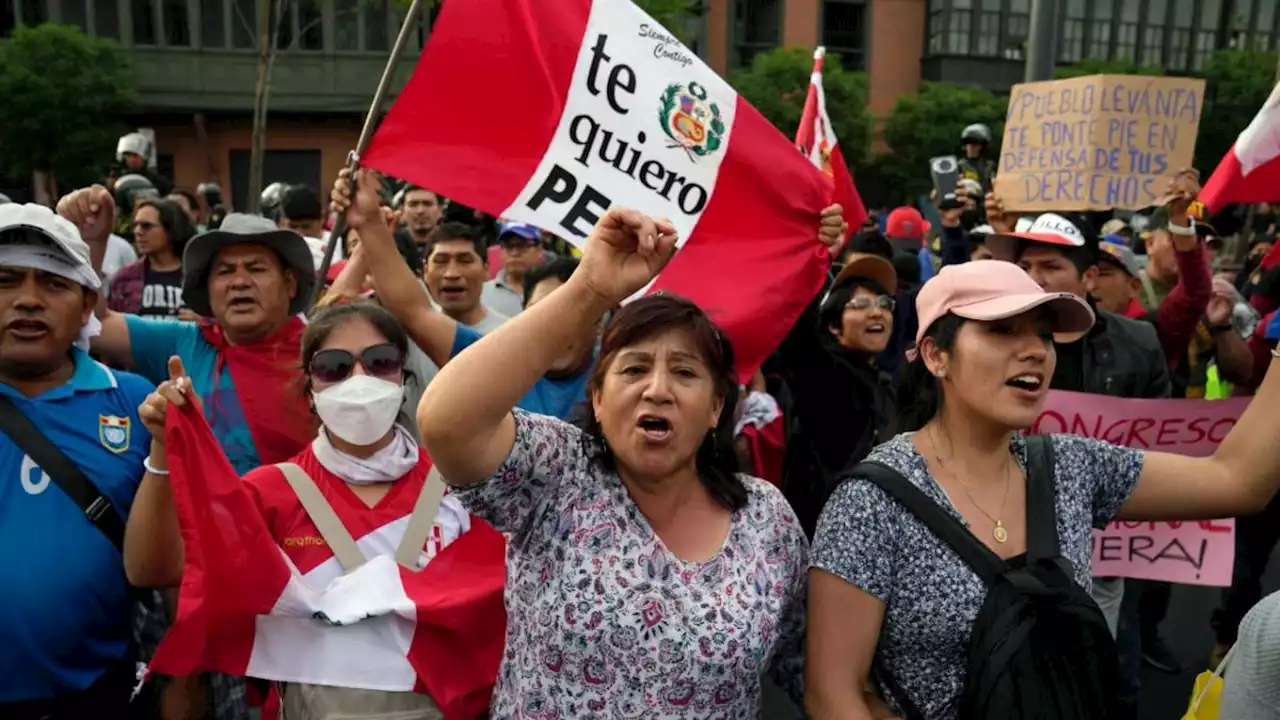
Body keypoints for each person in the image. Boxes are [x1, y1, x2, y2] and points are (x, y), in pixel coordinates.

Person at [805, 259, 1280, 719]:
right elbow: (833, 695)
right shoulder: (870, 504)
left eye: (1045, 335)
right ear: (935, 354)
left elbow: (1237, 481)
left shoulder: (1073, 467)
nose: (1035, 350)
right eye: (1003, 330)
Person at [416, 204, 841, 716]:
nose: (657, 391)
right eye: (634, 369)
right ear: (597, 397)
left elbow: (812, 669)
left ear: (716, 408)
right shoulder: (555, 473)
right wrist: (590, 290)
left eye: (685, 373)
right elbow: (447, 421)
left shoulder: (766, 517)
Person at [126, 300, 506, 718]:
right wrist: (163, 446)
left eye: (380, 362)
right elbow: (152, 570)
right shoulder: (269, 492)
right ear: (310, 390)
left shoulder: (463, 486)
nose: (359, 379)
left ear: (403, 378)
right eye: (334, 367)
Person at [0, 203, 155, 717]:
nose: (27, 300)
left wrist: (183, 678)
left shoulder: (136, 404)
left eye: (53, 283)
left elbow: (178, 558)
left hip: (97, 696)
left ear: (87, 303)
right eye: (5, 280)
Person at [332, 171, 596, 420]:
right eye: (543, 312)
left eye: (573, 314)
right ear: (524, 314)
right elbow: (413, 311)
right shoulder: (500, 362)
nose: (558, 327)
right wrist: (369, 223)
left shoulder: (620, 378)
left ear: (599, 322)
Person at [779, 252, 899, 537]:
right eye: (860, 305)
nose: (877, 312)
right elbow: (798, 329)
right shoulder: (824, 376)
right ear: (833, 325)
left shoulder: (886, 385)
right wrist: (817, 257)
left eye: (885, 304)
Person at [108, 198, 196, 318]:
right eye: (135, 225)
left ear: (170, 229)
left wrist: (204, 322)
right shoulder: (124, 278)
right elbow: (109, 323)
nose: (137, 231)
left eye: (146, 226)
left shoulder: (199, 276)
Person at [481, 223, 544, 317]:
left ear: (539, 250)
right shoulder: (481, 293)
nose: (514, 253)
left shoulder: (553, 292)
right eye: (508, 246)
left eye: (522, 246)